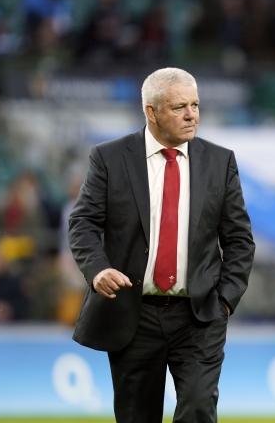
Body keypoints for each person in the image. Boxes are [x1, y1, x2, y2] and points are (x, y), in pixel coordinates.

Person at [68, 67, 255, 422]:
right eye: (179, 107)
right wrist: (98, 269)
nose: (191, 115)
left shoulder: (220, 162)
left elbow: (239, 238)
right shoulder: (110, 158)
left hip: (200, 314)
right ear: (151, 112)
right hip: (133, 314)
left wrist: (226, 299)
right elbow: (83, 223)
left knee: (198, 408)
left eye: (195, 105)